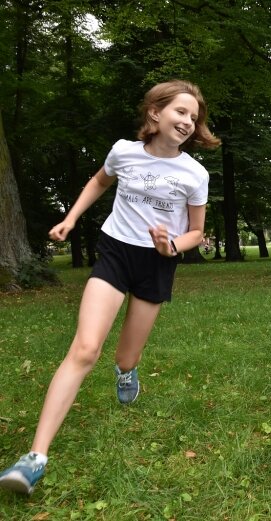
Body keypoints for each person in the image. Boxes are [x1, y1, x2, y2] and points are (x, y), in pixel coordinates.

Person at [0, 80, 220, 495]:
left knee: (125, 354)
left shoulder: (195, 173)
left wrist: (171, 244)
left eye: (194, 117)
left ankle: (127, 371)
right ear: (154, 113)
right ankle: (35, 458)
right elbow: (99, 181)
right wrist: (71, 218)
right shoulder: (124, 152)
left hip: (157, 262)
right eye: (180, 112)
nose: (189, 121)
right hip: (116, 251)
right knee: (85, 348)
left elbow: (196, 233)